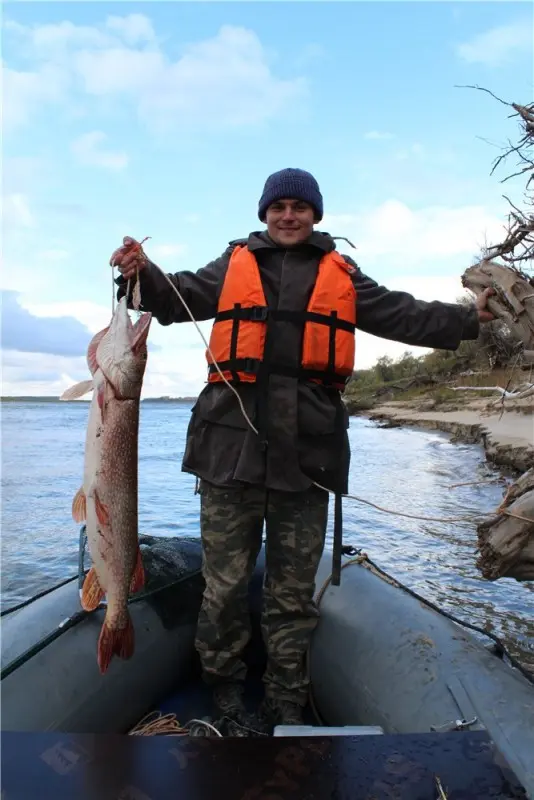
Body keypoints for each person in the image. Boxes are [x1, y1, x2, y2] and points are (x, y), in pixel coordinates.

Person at [111, 168, 495, 730]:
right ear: (264, 213)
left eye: (299, 207)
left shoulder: (342, 273)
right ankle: (222, 695)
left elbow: (402, 313)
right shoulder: (233, 265)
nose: (288, 216)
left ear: (316, 214)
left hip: (308, 461)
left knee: (292, 599)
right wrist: (141, 273)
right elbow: (177, 296)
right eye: (278, 207)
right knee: (221, 591)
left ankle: (283, 704)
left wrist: (467, 318)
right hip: (229, 458)